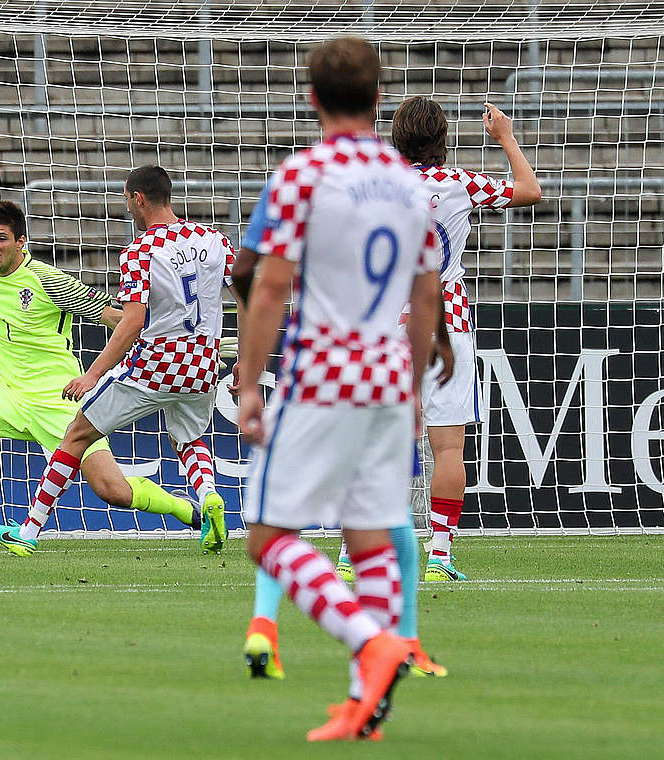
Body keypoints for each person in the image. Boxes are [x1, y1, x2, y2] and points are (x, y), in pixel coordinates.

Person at [234, 36, 445, 741]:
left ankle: (369, 643)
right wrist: (412, 389)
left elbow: (270, 287)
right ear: (379, 99)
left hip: (323, 376)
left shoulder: (305, 175)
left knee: (268, 536)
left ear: (313, 99)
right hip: (388, 378)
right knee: (371, 536)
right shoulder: (411, 184)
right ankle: (365, 704)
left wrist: (249, 382)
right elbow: (426, 295)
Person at [0, 200, 207, 549]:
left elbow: (117, 317)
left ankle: (183, 508)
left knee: (113, 491)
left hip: (59, 402)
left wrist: (170, 338)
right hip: (9, 396)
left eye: (1, 239)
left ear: (21, 241)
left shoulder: (50, 281)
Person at [0, 166, 233, 557]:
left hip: (155, 364)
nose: (128, 208)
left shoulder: (140, 251)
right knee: (188, 437)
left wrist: (92, 374)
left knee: (77, 434)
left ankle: (28, 532)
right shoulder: (214, 239)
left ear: (138, 199)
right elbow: (247, 296)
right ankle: (209, 495)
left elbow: (132, 321)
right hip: (203, 364)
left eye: (127, 200)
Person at [390, 97, 543, 581]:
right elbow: (530, 190)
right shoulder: (459, 183)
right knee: (448, 448)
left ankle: (355, 556)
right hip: (447, 324)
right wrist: (505, 136)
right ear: (443, 139)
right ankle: (439, 556)